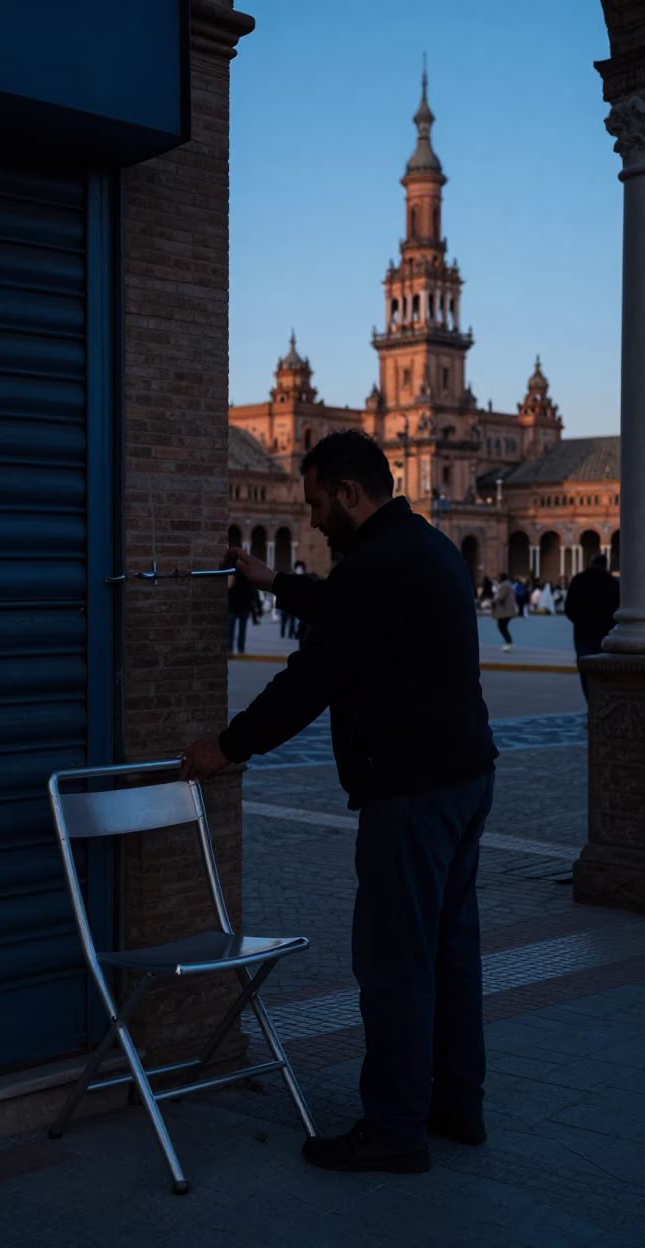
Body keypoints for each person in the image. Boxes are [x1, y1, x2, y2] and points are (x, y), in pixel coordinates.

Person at [182, 429, 497, 1176]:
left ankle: (393, 1127)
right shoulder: (425, 547)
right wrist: (273, 581)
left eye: (318, 501)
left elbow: (309, 677)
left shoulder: (376, 565)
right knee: (451, 951)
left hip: (412, 790)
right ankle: (458, 1103)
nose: (313, 515)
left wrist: (227, 746)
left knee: (393, 961)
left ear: (349, 495)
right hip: (466, 779)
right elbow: (345, 609)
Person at [565, 553, 620, 700]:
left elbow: (569, 608)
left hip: (583, 633)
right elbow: (618, 609)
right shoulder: (611, 582)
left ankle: (591, 704)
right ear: (605, 565)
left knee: (586, 669)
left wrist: (580, 621)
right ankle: (603, 703)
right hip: (604, 634)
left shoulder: (578, 580)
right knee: (604, 670)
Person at [226, 569, 260, 654]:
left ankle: (230, 649)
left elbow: (228, 591)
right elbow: (254, 594)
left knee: (231, 630)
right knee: (241, 630)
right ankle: (240, 649)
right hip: (243, 607)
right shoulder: (249, 579)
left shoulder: (232, 577)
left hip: (233, 607)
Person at [492, 572, 518, 652]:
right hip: (507, 609)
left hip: (505, 610)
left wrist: (493, 600)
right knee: (503, 626)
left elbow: (500, 597)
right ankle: (508, 643)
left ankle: (508, 643)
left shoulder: (504, 585)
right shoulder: (508, 584)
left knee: (502, 627)